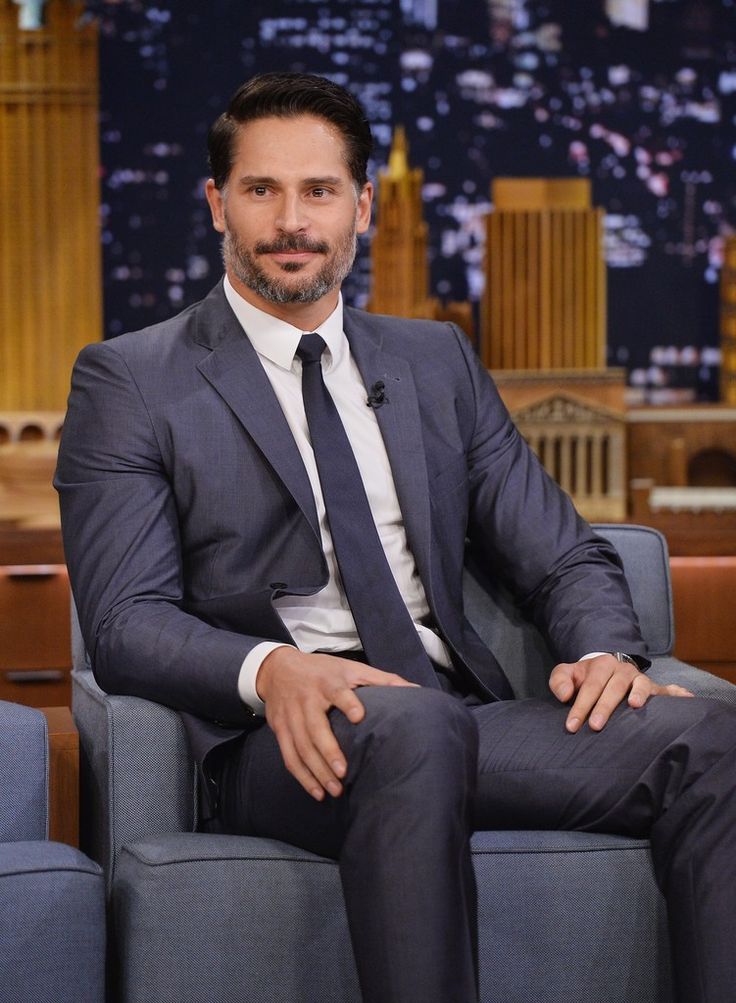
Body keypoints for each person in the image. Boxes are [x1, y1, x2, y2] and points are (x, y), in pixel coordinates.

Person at [55, 72, 735, 1003]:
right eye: (261, 190)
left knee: (711, 738)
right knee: (416, 725)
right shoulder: (130, 380)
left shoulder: (435, 360)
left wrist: (604, 650)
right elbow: (125, 620)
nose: (292, 220)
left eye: (319, 190)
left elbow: (564, 552)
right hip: (280, 741)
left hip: (455, 717)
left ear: (363, 207)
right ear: (217, 204)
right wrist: (272, 668)